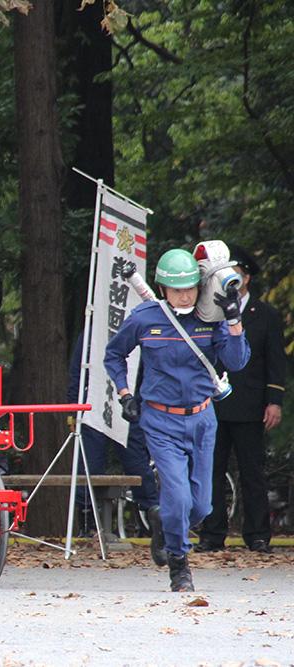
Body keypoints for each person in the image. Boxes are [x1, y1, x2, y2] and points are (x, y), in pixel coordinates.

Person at [105, 249, 249, 592]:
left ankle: (161, 520)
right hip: (160, 420)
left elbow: (237, 361)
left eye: (190, 288)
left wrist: (232, 320)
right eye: (176, 289)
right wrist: (125, 394)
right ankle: (179, 567)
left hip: (202, 419)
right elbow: (114, 354)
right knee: (180, 499)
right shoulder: (144, 318)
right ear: (162, 288)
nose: (184, 295)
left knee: (201, 507)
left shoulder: (210, 318)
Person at [196, 244, 285, 554]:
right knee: (211, 471)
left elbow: (275, 361)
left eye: (232, 271)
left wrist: (274, 400)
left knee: (252, 473)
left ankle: (258, 534)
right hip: (213, 403)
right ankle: (211, 534)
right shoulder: (208, 310)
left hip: (249, 405)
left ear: (244, 278)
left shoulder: (266, 314)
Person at [66, 330, 158, 537]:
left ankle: (153, 520)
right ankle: (87, 524)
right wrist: (74, 407)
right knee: (88, 466)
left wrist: (145, 406)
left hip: (131, 405)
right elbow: (77, 372)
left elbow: (151, 371)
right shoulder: (92, 328)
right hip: (93, 404)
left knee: (138, 465)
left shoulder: (142, 328)